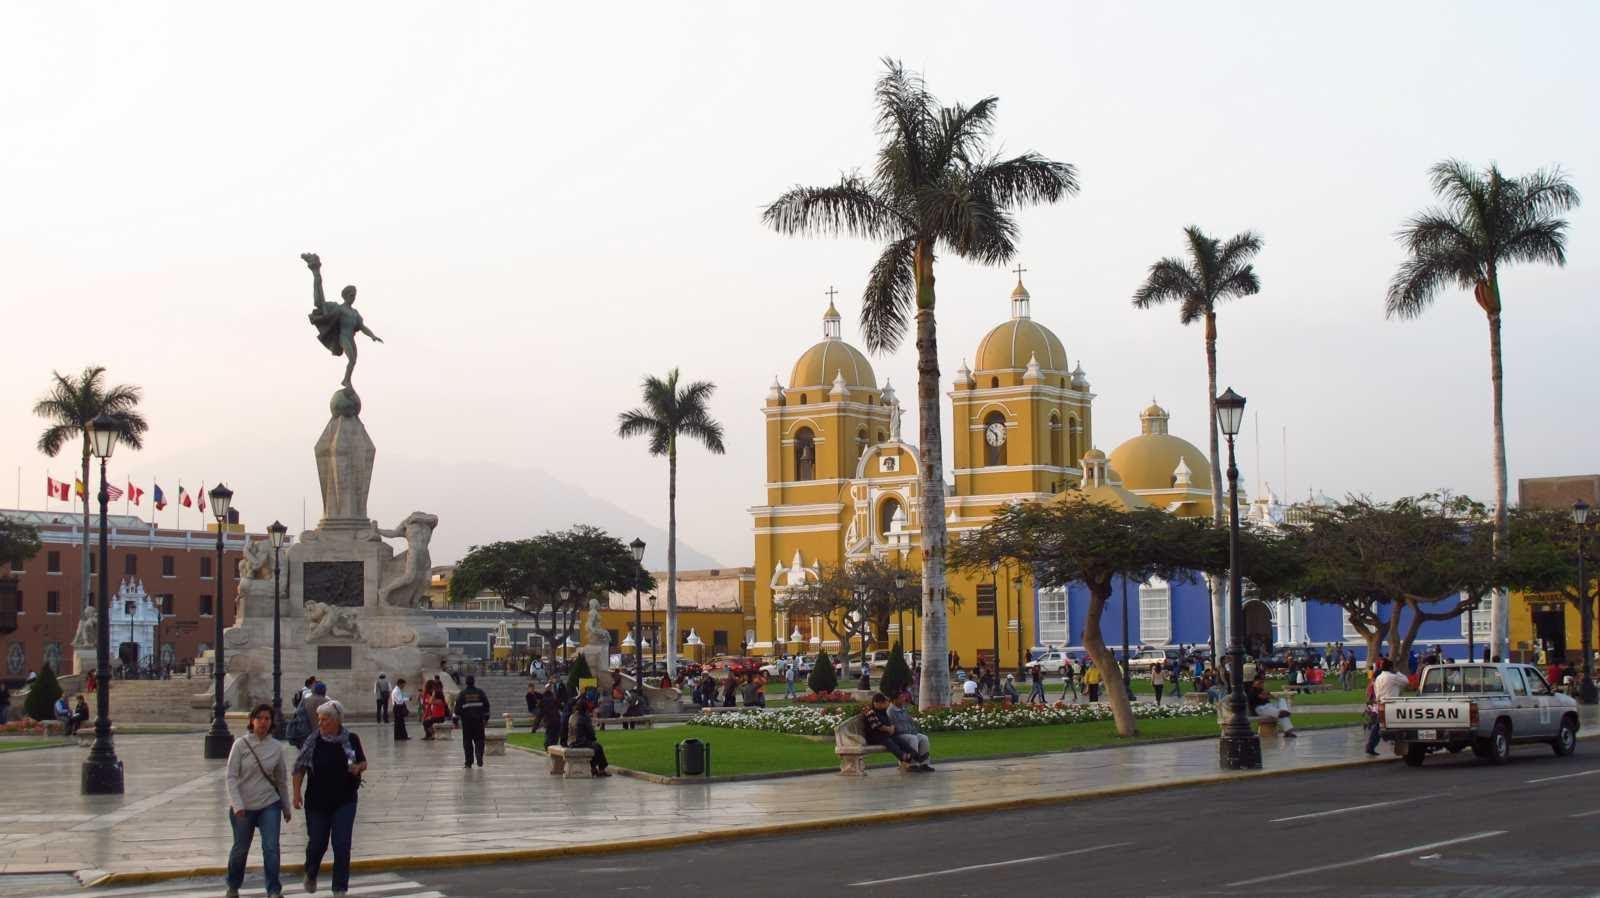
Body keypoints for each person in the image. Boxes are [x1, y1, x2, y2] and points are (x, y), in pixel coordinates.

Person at [292, 701, 366, 897]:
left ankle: (339, 889)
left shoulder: (350, 739)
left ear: (336, 720)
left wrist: (358, 767)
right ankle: (311, 871)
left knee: (342, 845)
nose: (321, 723)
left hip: (345, 800)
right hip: (317, 801)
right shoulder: (312, 741)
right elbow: (299, 768)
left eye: (325, 719)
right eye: (320, 719)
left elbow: (362, 761)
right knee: (317, 843)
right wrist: (296, 793)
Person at [225, 703, 292, 898]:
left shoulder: (277, 747)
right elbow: (231, 776)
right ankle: (233, 885)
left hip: (269, 804)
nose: (263, 722)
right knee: (241, 849)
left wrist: (286, 807)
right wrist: (237, 804)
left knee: (271, 847)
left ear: (271, 723)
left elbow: (280, 779)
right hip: (243, 806)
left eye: (267, 718)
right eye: (259, 718)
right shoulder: (240, 745)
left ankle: (273, 889)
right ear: (252, 721)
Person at [862, 693, 921, 770]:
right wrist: (889, 729)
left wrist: (892, 727)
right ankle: (903, 756)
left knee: (899, 740)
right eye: (884, 703)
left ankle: (915, 755)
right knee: (890, 742)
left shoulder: (883, 711)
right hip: (875, 737)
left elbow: (889, 722)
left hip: (884, 735)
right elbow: (877, 726)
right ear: (877, 703)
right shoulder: (871, 712)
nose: (886, 704)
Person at [1365, 659, 1408, 755]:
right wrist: (1398, 672)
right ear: (1391, 667)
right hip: (1391, 705)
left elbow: (1376, 692)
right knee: (1396, 727)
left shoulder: (1379, 678)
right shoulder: (1392, 677)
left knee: (1378, 726)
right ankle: (1399, 747)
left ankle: (1370, 746)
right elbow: (1406, 681)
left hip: (1381, 703)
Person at [888, 691, 933, 771]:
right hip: (899, 735)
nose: (903, 699)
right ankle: (912, 764)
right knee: (913, 738)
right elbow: (895, 727)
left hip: (909, 733)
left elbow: (910, 722)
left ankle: (924, 764)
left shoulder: (904, 709)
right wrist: (910, 732)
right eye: (901, 698)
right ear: (894, 700)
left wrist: (914, 731)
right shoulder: (890, 711)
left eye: (903, 697)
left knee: (924, 738)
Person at [454, 675, 491, 768]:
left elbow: (457, 710)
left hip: (467, 723)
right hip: (479, 721)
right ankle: (479, 756)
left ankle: (469, 762)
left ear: (466, 682)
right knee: (480, 740)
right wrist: (486, 718)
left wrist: (456, 720)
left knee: (467, 742)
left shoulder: (462, 694)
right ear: (474, 682)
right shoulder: (480, 693)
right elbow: (487, 706)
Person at [567, 700, 611, 776]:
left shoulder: (572, 716)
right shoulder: (584, 718)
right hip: (579, 742)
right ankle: (601, 769)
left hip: (571, 741)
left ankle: (593, 767)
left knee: (594, 746)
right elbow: (591, 733)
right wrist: (592, 738)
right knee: (598, 747)